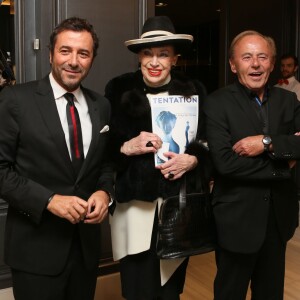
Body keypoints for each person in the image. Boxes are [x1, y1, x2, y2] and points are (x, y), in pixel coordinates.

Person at [0, 17, 114, 300]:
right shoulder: (15, 100)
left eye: (83, 53)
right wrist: (49, 200)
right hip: (35, 250)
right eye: (65, 51)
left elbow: (106, 164)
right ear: (51, 54)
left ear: (92, 59)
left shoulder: (101, 105)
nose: (73, 61)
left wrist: (104, 192)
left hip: (85, 250)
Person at [105, 16, 211, 300]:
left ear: (175, 59)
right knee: (138, 287)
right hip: (134, 207)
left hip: (177, 205)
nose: (154, 62)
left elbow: (205, 142)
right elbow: (103, 146)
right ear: (139, 57)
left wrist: (194, 159)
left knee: (169, 290)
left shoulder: (194, 90)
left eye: (163, 54)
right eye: (148, 54)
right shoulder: (118, 89)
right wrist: (126, 146)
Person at [204, 30, 300, 300]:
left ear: (271, 63)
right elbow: (225, 163)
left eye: (262, 57)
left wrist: (267, 142)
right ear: (234, 65)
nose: (255, 64)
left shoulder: (288, 101)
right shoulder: (216, 103)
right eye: (247, 57)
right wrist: (282, 164)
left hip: (278, 219)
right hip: (236, 220)